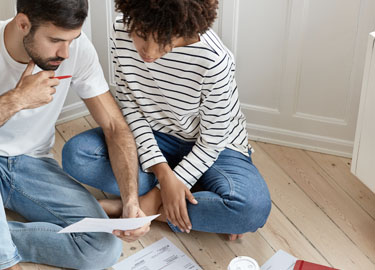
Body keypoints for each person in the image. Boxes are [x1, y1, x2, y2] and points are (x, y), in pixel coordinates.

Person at [0, 0, 150, 269]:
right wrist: (16, 99)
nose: (65, 52)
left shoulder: (74, 50)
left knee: (103, 248)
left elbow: (114, 126)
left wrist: (130, 201)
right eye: (55, 40)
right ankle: (3, 262)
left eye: (72, 39)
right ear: (23, 24)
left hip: (33, 165)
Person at [63, 0, 271, 241]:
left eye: (164, 44)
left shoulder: (214, 60)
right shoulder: (121, 32)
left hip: (216, 148)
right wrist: (163, 174)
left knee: (251, 209)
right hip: (155, 137)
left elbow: (212, 141)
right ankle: (192, 199)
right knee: (77, 156)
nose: (149, 52)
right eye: (141, 35)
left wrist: (157, 196)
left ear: (183, 31)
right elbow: (131, 108)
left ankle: (134, 206)